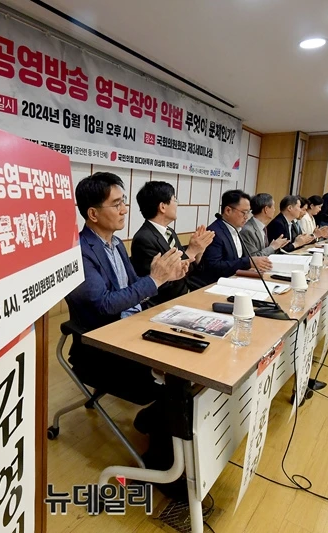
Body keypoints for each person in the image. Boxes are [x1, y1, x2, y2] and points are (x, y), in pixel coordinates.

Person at [64, 172, 189, 491]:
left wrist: (165, 277)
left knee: (191, 354)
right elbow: (104, 305)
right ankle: (162, 468)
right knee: (175, 378)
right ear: (93, 214)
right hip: (101, 348)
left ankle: (154, 422)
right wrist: (155, 280)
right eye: (117, 204)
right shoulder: (79, 251)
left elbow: (134, 288)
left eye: (123, 202)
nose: (124, 209)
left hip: (132, 328)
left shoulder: (116, 243)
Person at [131, 181, 214, 305]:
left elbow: (188, 271)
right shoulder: (144, 239)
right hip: (164, 302)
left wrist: (199, 252)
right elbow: (161, 284)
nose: (176, 205)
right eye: (175, 200)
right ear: (162, 207)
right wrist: (191, 251)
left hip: (184, 293)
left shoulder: (169, 232)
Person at [189, 190, 272, 288]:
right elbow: (214, 266)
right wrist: (248, 262)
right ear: (228, 210)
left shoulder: (237, 229)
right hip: (216, 285)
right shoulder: (214, 232)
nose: (247, 217)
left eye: (248, 212)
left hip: (234, 281)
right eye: (244, 212)